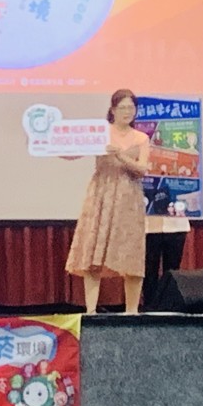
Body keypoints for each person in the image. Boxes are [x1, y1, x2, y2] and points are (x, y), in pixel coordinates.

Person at [65, 89, 150, 314]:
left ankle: (131, 311)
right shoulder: (101, 132)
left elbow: (142, 169)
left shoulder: (141, 138)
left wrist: (119, 155)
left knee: (130, 252)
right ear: (112, 110)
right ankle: (91, 310)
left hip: (128, 198)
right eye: (122, 108)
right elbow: (74, 152)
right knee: (94, 250)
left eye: (131, 108)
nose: (127, 112)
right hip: (101, 193)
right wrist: (47, 144)